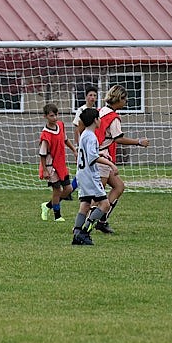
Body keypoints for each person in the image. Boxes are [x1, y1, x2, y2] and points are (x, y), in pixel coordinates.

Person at [95, 85, 150, 234]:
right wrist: (138, 142)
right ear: (118, 99)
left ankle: (102, 220)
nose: (126, 102)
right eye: (125, 99)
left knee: (119, 187)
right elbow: (118, 139)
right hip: (101, 157)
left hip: (97, 156)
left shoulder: (100, 112)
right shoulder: (113, 118)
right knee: (97, 196)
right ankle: (82, 226)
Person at [72, 107, 118, 246]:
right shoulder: (92, 136)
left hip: (82, 174)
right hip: (91, 176)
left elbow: (88, 153)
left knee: (85, 205)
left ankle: (77, 234)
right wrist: (111, 164)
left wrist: (101, 153)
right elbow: (92, 157)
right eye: (99, 118)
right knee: (105, 204)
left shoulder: (85, 134)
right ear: (95, 120)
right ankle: (85, 232)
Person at [38, 103, 76, 222]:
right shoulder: (46, 134)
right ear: (45, 116)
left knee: (68, 189)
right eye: (51, 116)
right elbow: (42, 154)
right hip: (50, 166)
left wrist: (74, 150)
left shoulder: (60, 125)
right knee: (57, 190)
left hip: (61, 164)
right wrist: (44, 170)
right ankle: (57, 216)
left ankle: (47, 206)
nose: (54, 118)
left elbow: (65, 139)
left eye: (56, 115)